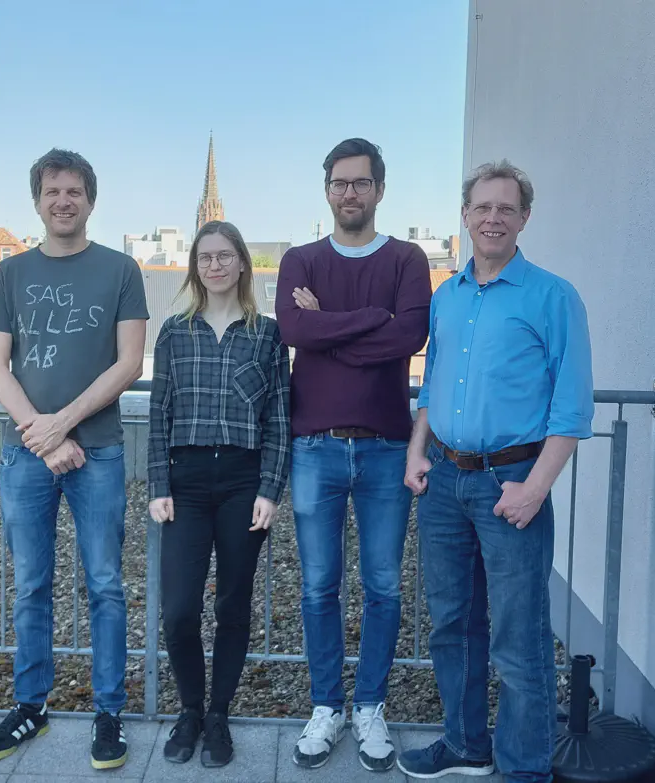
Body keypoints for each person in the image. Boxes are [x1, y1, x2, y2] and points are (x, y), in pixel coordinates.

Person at [397, 161, 594, 782]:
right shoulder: (447, 295)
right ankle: (464, 745)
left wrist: (536, 488)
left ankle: (524, 768)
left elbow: (571, 407)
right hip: (444, 485)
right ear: (466, 213)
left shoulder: (553, 296)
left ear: (524, 219)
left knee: (520, 638)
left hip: (512, 485)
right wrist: (415, 450)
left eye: (506, 209)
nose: (493, 218)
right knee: (452, 625)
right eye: (483, 207)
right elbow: (432, 383)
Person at [0, 148, 148, 770]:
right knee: (30, 585)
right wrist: (39, 434)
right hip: (27, 455)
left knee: (104, 584)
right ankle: (31, 706)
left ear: (90, 200)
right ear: (37, 200)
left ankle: (109, 712)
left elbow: (129, 361)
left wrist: (62, 426)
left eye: (74, 191)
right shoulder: (11, 273)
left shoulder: (120, 269)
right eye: (52, 192)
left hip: (97, 450)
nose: (63, 201)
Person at [274, 138, 432, 772]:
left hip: (387, 449)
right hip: (315, 448)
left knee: (385, 585)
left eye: (360, 183)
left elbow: (411, 333)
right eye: (339, 183)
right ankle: (326, 706)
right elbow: (294, 331)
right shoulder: (300, 260)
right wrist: (373, 320)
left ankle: (369, 705)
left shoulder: (407, 258)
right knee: (317, 586)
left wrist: (334, 327)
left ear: (380, 190)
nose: (349, 193)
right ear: (327, 190)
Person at [147, 220, 291, 768]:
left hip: (241, 482)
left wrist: (270, 489)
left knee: (232, 603)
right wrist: (159, 484)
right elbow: (159, 415)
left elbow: (278, 416)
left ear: (241, 264)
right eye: (205, 257)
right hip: (184, 482)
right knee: (180, 608)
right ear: (194, 266)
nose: (215, 265)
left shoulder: (266, 333)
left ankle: (218, 717)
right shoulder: (174, 332)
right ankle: (189, 709)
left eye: (224, 256)